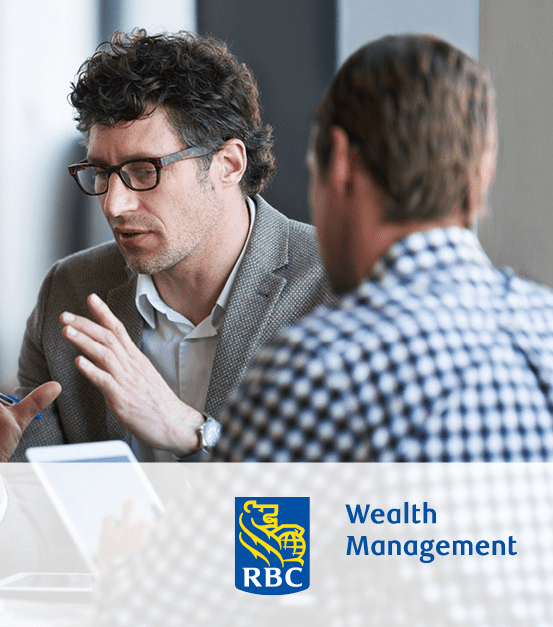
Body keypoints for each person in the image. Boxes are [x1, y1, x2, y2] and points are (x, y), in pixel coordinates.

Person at [0, 29, 329, 471]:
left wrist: (191, 433)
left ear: (228, 164)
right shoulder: (70, 294)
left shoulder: (341, 289)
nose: (114, 204)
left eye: (144, 170)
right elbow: (39, 523)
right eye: (101, 173)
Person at [216, 33, 553, 462]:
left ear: (341, 163)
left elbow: (242, 531)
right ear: (481, 171)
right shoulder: (545, 332)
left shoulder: (314, 372)